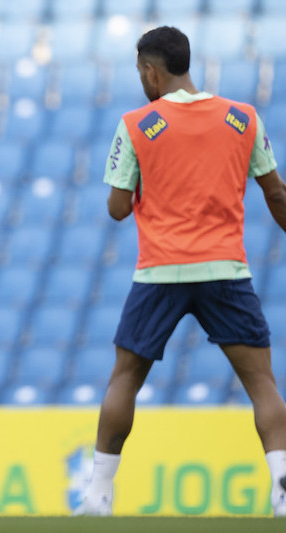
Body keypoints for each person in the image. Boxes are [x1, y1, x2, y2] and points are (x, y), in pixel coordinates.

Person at [75, 26, 286, 517]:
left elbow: (117, 208)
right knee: (262, 384)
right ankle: (282, 494)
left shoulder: (136, 123)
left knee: (124, 379)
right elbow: (276, 194)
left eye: (139, 72)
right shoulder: (242, 117)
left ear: (151, 70)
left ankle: (97, 499)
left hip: (161, 271)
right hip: (225, 269)